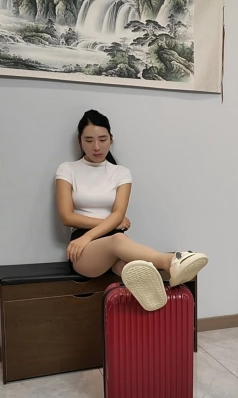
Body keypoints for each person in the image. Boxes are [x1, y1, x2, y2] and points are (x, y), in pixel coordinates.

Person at [55, 110, 208, 311]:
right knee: (118, 240)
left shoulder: (121, 173)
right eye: (89, 140)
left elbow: (118, 214)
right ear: (80, 141)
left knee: (128, 267)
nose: (96, 146)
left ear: (111, 139)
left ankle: (155, 298)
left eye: (102, 139)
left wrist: (114, 222)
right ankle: (171, 261)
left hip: (114, 240)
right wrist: (92, 234)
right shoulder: (67, 169)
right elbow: (67, 217)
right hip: (83, 246)